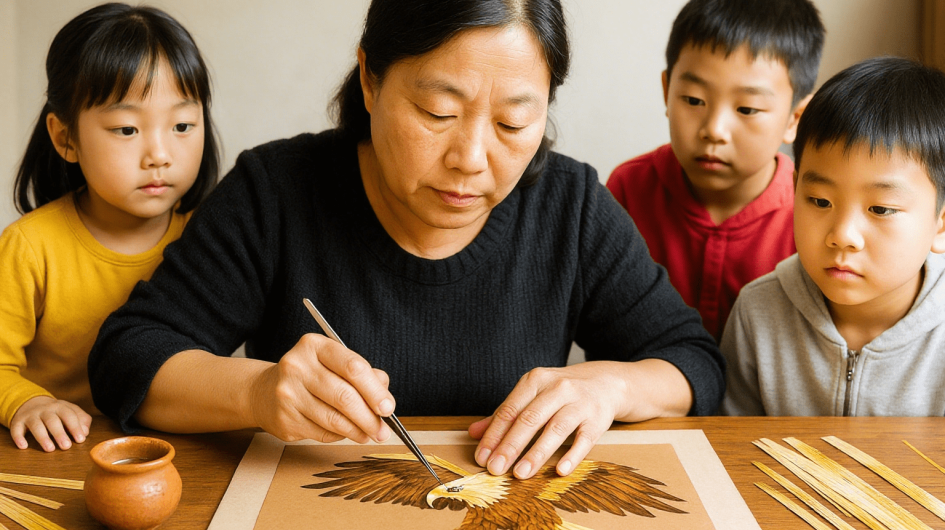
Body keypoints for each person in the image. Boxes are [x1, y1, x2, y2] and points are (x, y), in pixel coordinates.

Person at [89, 0, 724, 479]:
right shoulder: (276, 191)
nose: (471, 158)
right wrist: (256, 392)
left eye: (514, 119)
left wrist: (611, 387)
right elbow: (129, 356)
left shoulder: (570, 205)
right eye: (437, 114)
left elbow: (692, 364)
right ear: (369, 78)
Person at [0, 2, 219, 451]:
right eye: (126, 129)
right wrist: (28, 403)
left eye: (182, 125)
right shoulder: (30, 246)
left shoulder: (210, 239)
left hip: (177, 450)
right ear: (66, 138)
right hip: (62, 453)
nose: (159, 154)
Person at [720, 57, 945, 416]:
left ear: (941, 222)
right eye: (820, 201)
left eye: (881, 209)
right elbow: (730, 448)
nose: (842, 235)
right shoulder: (759, 312)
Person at [606, 0, 825, 341]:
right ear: (667, 91)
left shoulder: (811, 211)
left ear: (794, 118)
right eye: (693, 100)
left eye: (747, 108)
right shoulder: (629, 189)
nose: (714, 129)